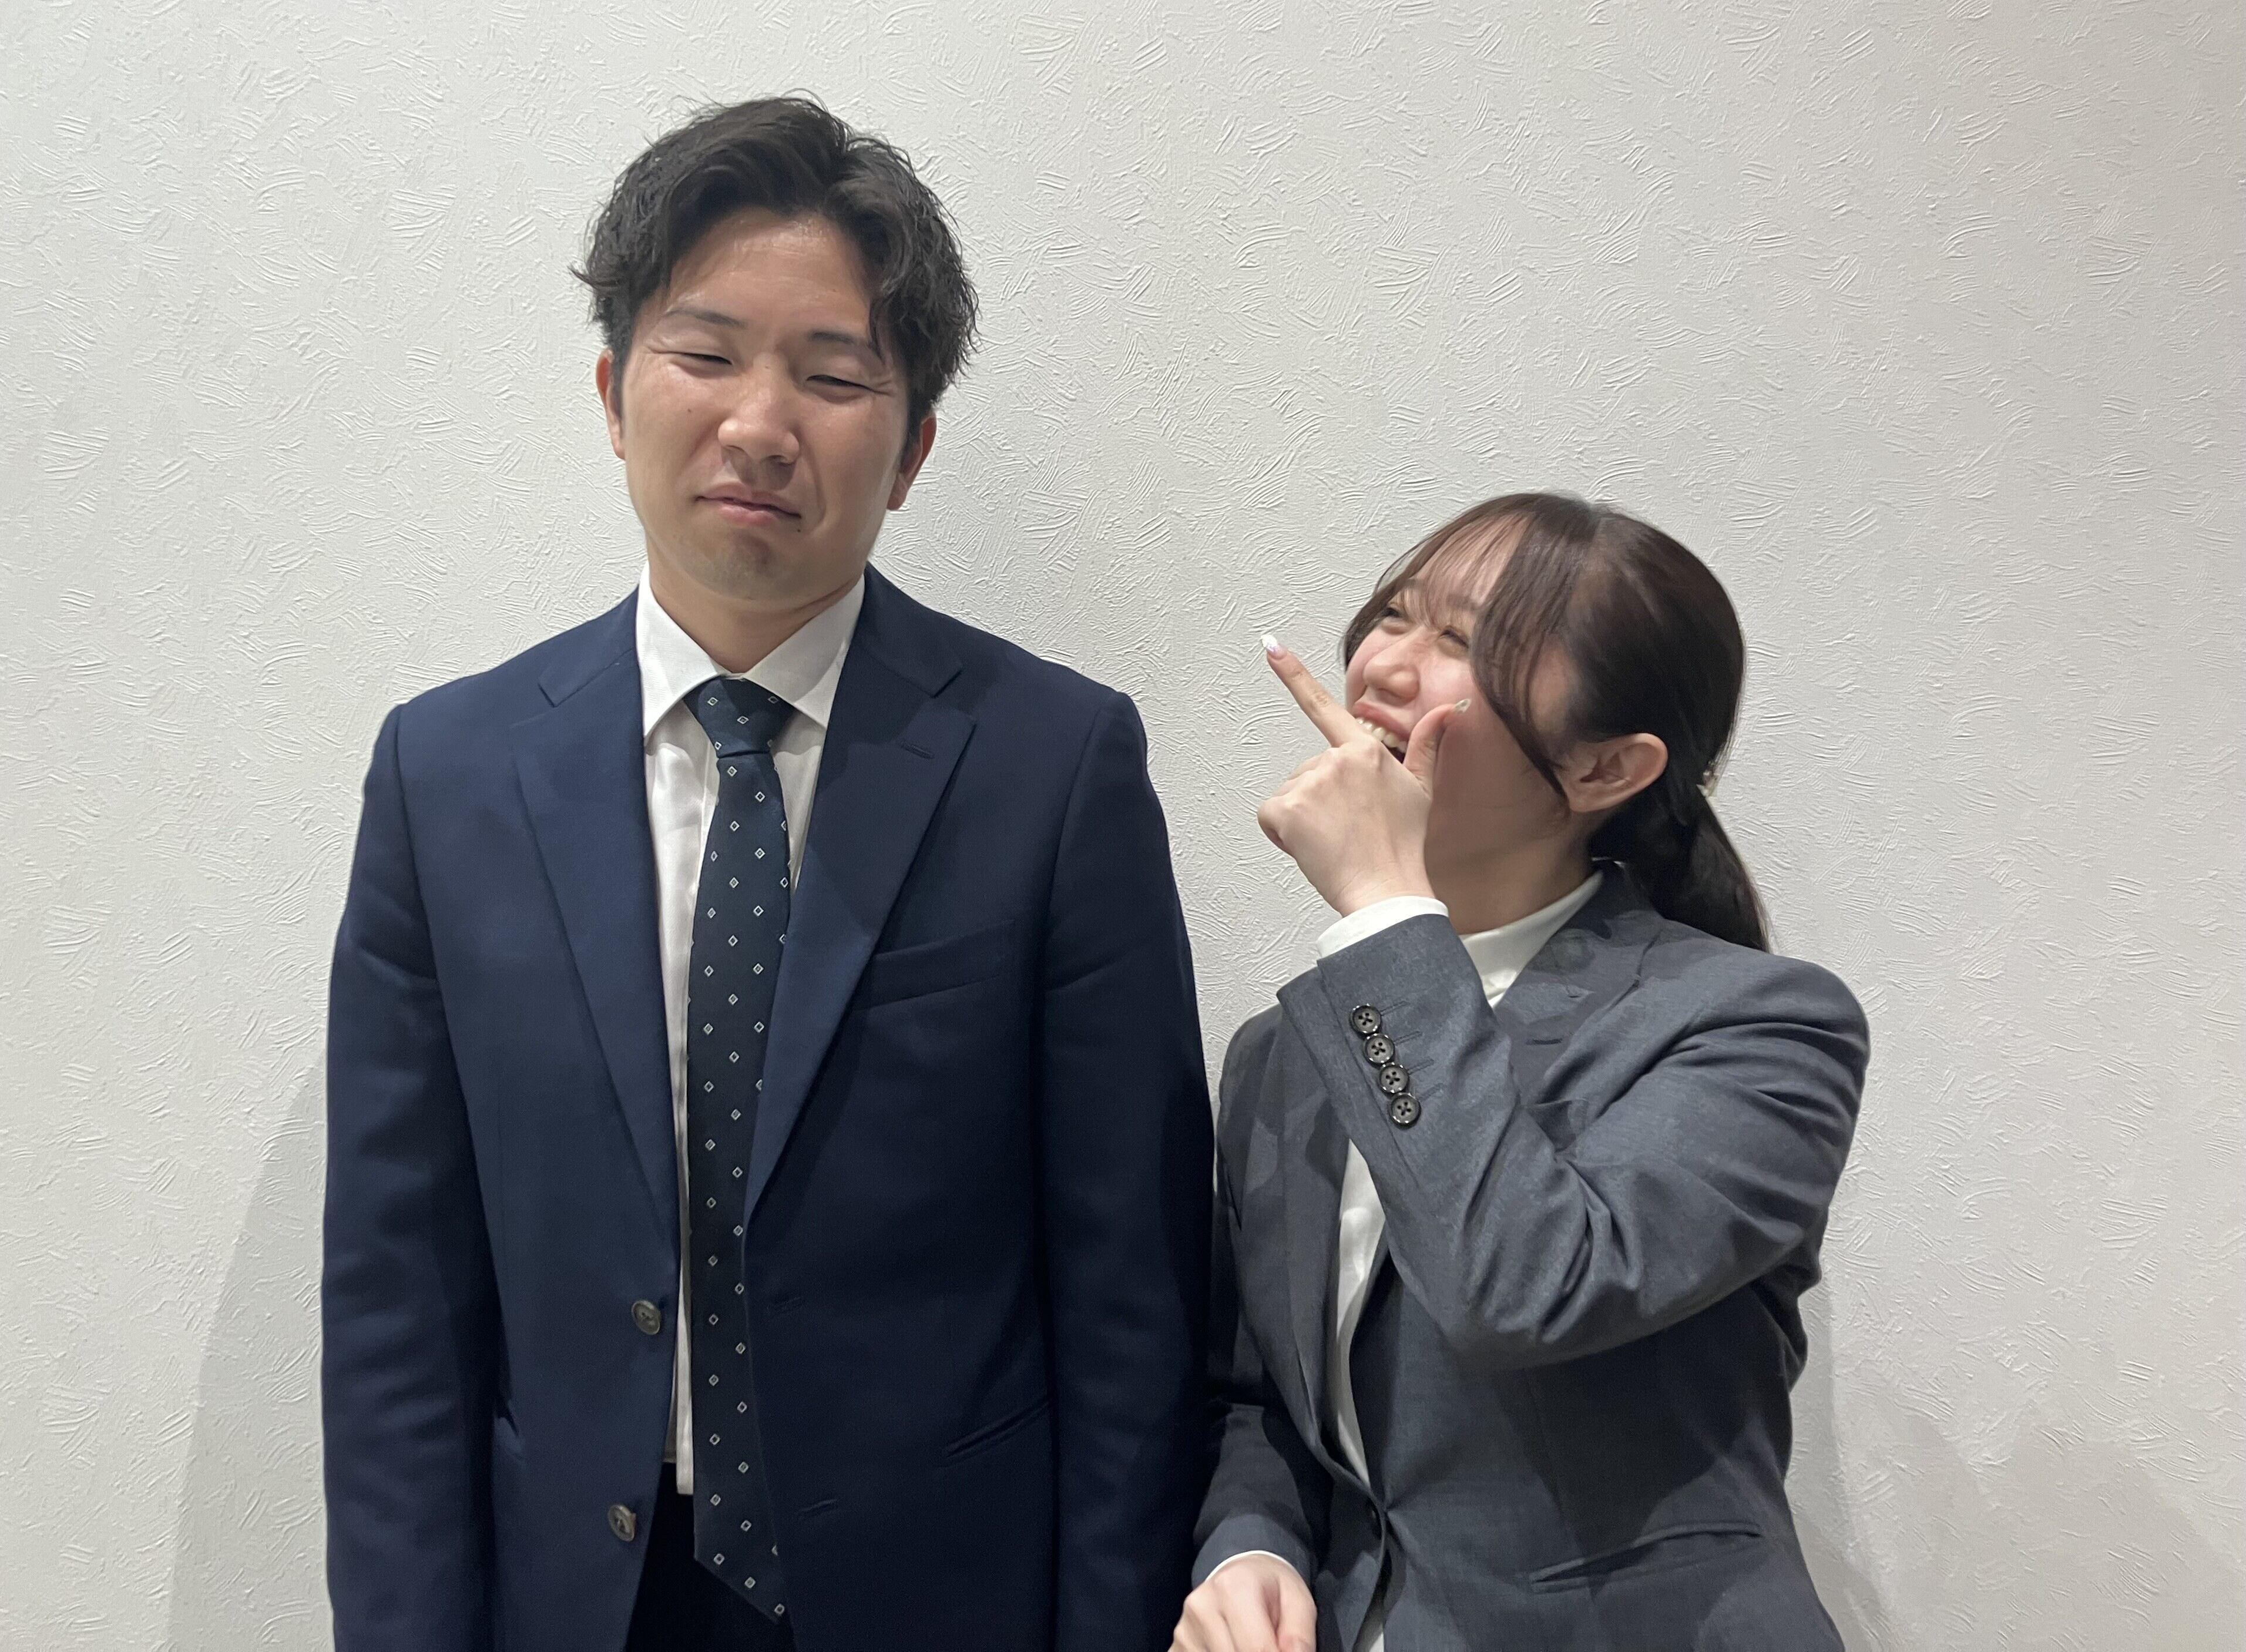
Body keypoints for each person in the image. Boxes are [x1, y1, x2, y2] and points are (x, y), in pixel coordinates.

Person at [322, 96, 1213, 1652]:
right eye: (707, 351)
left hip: (942, 1602)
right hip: (580, 1600)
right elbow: (397, 1301)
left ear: (912, 446)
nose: (759, 421)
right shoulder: (447, 776)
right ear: (614, 394)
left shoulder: (1054, 768)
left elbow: (1134, 1299)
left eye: (832, 373)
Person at [1175, 492, 1868, 1652]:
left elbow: (1522, 1286)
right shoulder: (1283, 1054)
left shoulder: (1762, 1026)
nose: (1385, 665)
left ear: (1605, 768)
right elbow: (1262, 1399)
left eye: (1463, 641)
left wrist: (1384, 909)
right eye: (1395, 613)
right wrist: (1251, 1545)